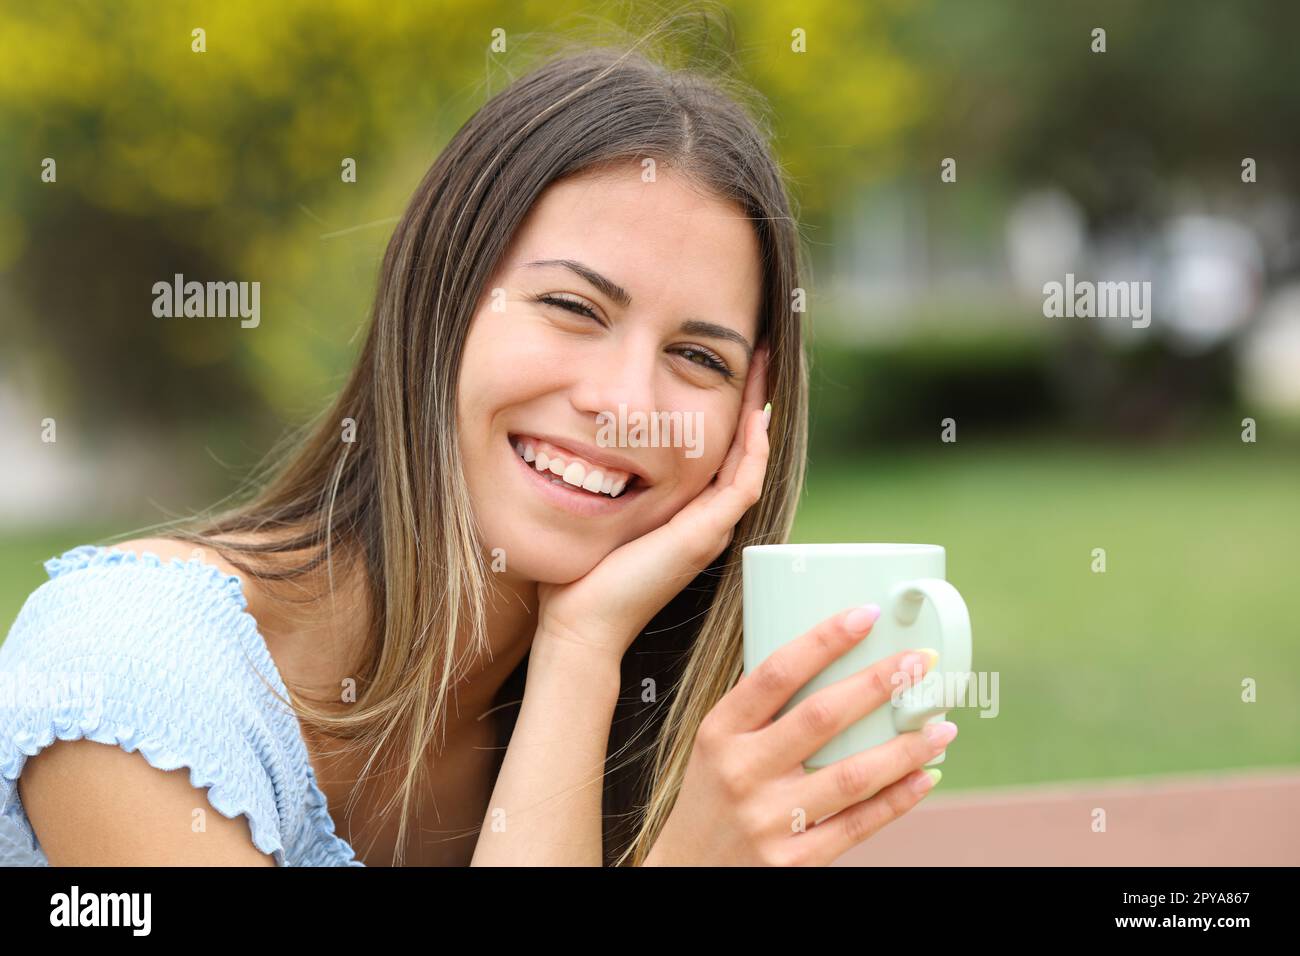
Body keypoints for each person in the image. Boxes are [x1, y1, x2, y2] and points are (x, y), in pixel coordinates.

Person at [0, 42, 954, 867]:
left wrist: (581, 653)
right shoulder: (133, 675)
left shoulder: (647, 729)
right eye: (573, 308)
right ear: (439, 308)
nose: (626, 407)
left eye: (698, 357)